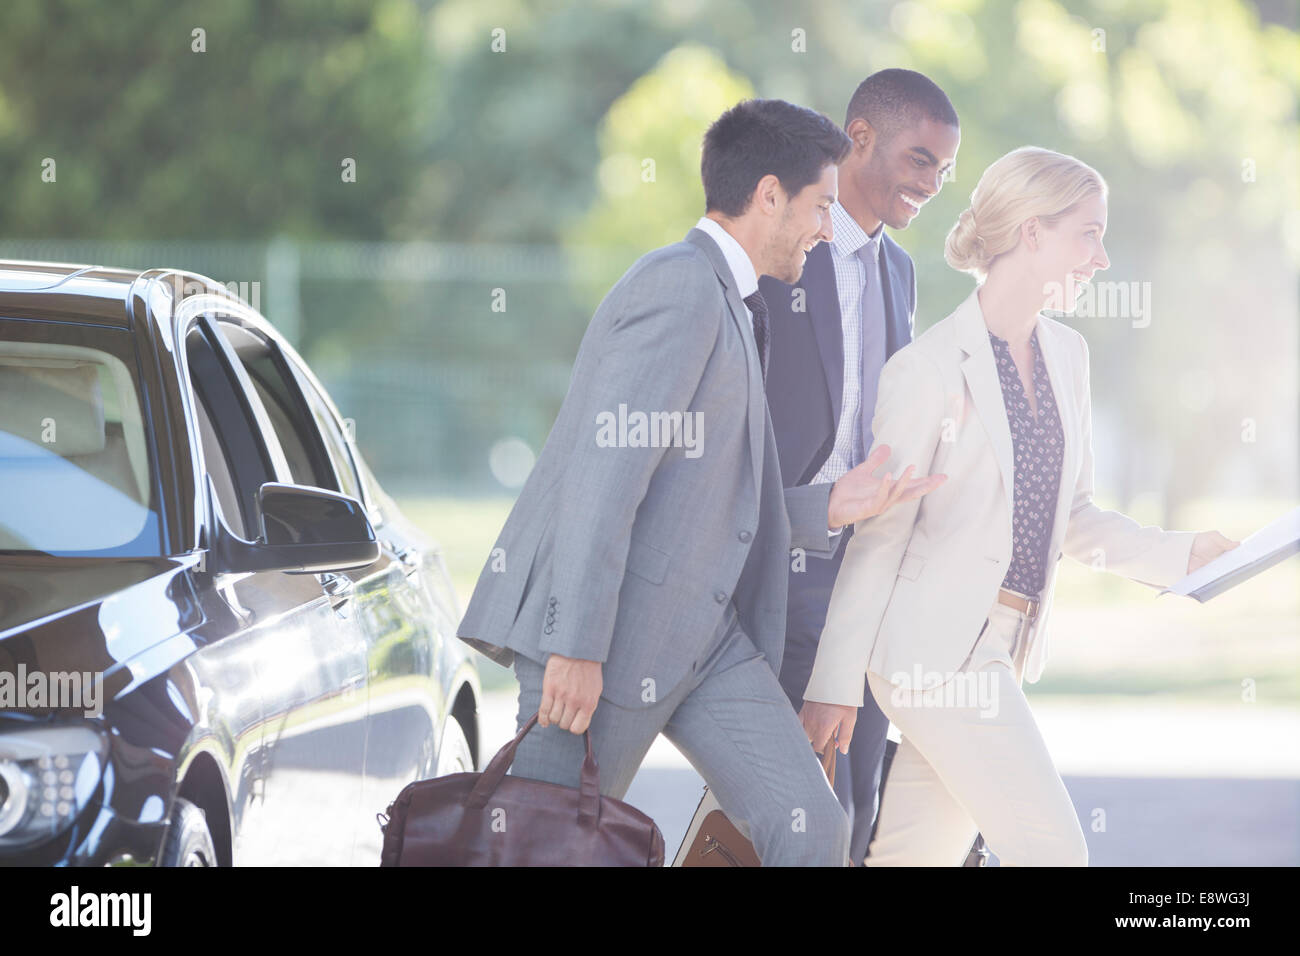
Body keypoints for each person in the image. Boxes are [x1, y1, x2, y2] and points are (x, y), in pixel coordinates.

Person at [456, 98, 943, 865]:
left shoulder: (738, 300)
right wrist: (576, 646)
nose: (826, 230)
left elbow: (709, 498)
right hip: (609, 634)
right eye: (820, 207)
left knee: (814, 824)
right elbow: (601, 478)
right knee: (545, 847)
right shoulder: (679, 288)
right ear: (769, 194)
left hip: (708, 639)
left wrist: (830, 506)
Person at [799, 146, 1239, 866]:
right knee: (1057, 853)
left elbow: (1074, 517)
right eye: (1088, 234)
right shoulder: (928, 370)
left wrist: (1182, 554)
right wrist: (833, 687)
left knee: (914, 859)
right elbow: (880, 539)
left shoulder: (1069, 357)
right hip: (932, 657)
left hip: (1003, 647)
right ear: (1031, 233)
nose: (1100, 258)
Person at [760, 68, 960, 865]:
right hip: (787, 554)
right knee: (810, 805)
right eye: (920, 160)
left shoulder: (900, 270)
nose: (930, 185)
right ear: (860, 137)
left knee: (863, 796)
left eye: (943, 172)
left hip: (872, 566)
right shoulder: (779, 243)